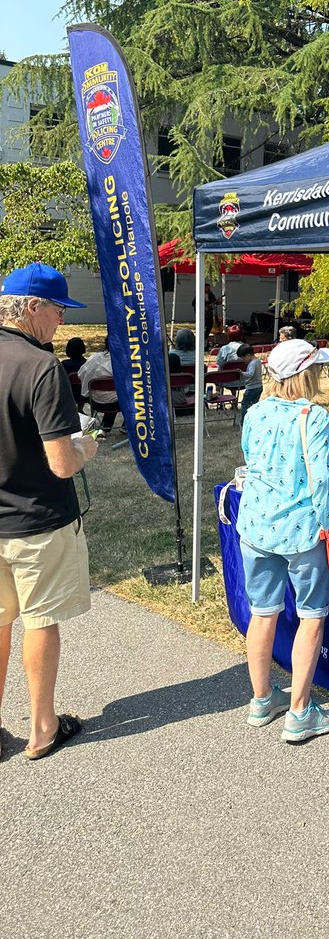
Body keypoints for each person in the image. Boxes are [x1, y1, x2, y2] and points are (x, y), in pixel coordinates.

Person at [0, 263, 99, 759]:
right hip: (37, 522)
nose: (61, 321)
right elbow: (62, 464)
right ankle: (42, 729)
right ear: (33, 307)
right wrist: (87, 449)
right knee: (39, 620)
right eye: (59, 310)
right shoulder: (42, 368)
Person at [237, 338, 329, 743]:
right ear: (305, 374)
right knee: (311, 617)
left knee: (262, 612)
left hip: (255, 525)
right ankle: (300, 711)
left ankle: (261, 698)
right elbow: (321, 480)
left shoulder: (255, 412)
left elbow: (252, 456)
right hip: (300, 531)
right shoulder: (313, 417)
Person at [79, 337, 119, 432]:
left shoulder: (95, 358)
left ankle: (106, 425)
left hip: (95, 401)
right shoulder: (123, 361)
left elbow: (81, 373)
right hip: (117, 403)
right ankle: (126, 426)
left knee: (112, 395)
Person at [235, 343, 264, 423]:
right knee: (255, 404)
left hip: (252, 388)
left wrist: (241, 373)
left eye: (243, 358)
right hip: (259, 386)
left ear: (247, 355)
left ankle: (244, 421)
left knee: (244, 404)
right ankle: (254, 420)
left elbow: (250, 374)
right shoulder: (258, 361)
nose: (243, 360)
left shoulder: (252, 363)